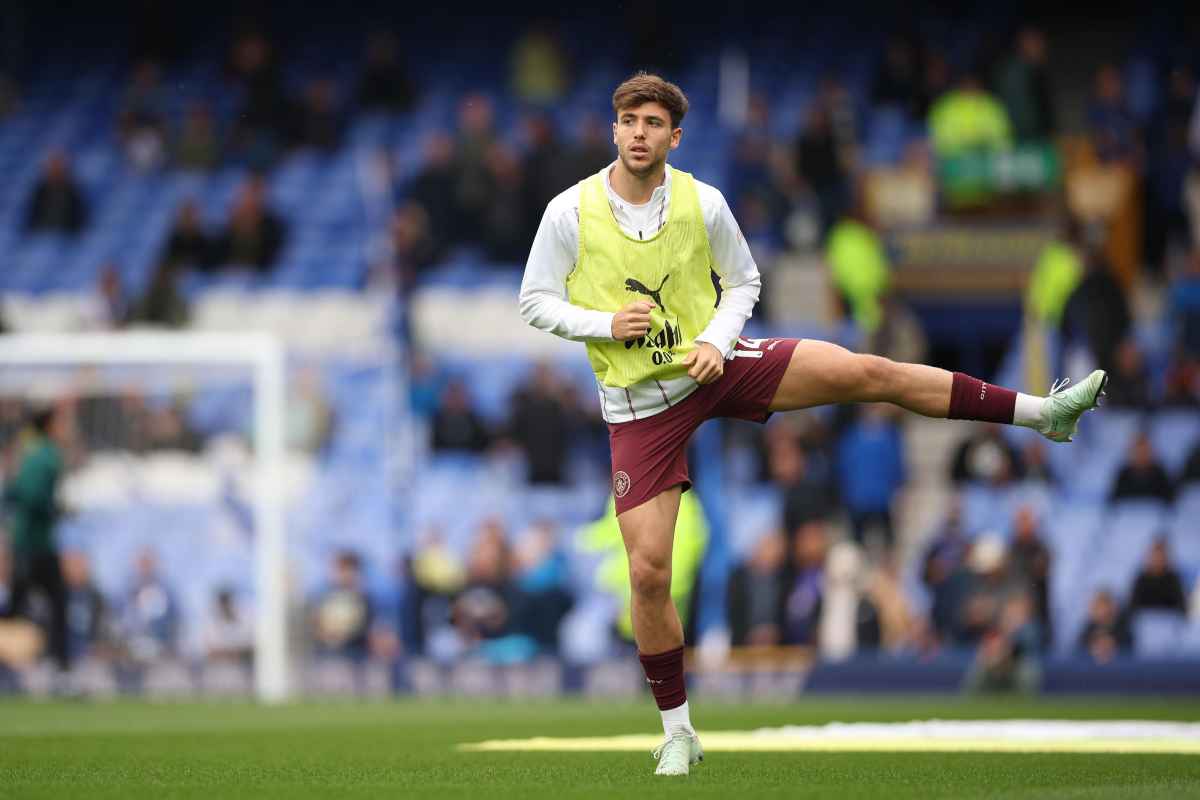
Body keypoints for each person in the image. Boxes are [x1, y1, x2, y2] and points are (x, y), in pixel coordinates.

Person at [517, 72, 1107, 777]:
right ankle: (678, 731)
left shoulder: (704, 203)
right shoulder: (570, 212)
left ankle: (1043, 412)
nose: (638, 133)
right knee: (648, 574)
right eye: (628, 121)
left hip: (717, 363)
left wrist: (717, 341)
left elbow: (744, 282)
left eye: (653, 123)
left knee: (869, 372)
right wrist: (604, 323)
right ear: (614, 129)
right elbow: (534, 301)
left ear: (675, 137)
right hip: (641, 405)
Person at [2, 406, 69, 673]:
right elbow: (35, 497)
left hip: (23, 542)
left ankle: (13, 664)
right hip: (37, 544)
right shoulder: (48, 455)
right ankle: (59, 664)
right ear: (50, 425)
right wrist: (57, 509)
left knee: (16, 603)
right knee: (57, 601)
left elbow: (11, 493)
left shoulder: (27, 452)